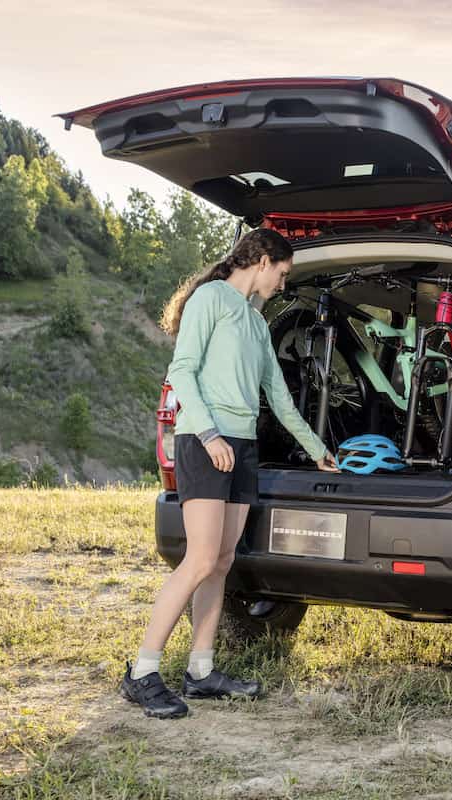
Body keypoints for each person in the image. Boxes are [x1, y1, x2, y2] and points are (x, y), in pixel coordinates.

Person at [120, 228, 338, 719]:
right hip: (204, 441)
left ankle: (200, 671)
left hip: (242, 447)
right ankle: (141, 671)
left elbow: (278, 397)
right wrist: (212, 436)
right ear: (262, 260)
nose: (283, 284)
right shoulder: (211, 300)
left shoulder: (256, 323)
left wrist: (316, 447)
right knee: (197, 561)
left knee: (221, 561)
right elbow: (182, 371)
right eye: (282, 274)